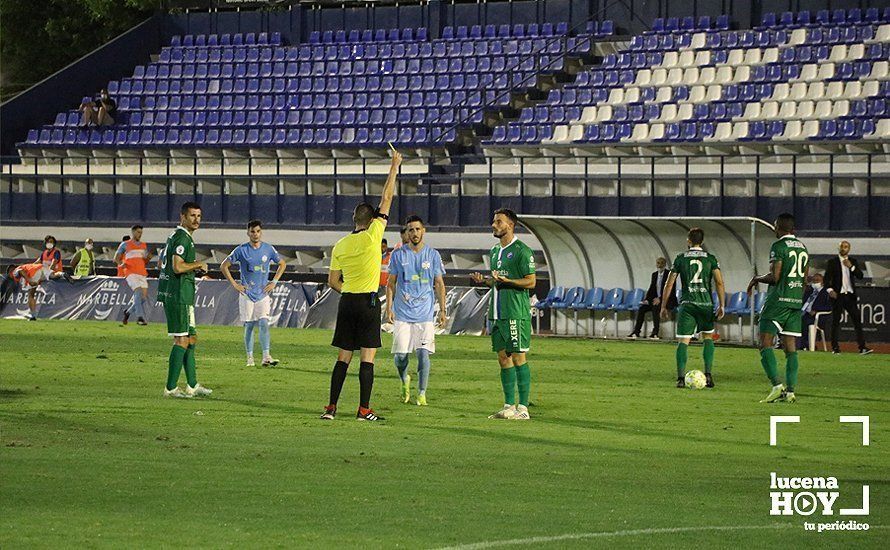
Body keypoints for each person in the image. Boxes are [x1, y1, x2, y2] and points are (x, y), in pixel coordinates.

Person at [321, 150, 402, 421]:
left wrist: (349, 291)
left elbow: (333, 281)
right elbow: (387, 197)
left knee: (343, 357)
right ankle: (363, 410)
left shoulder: (340, 244)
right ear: (371, 220)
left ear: (354, 220)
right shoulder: (373, 236)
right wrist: (394, 166)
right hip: (368, 302)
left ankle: (331, 408)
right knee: (367, 358)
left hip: (347, 302)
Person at [471, 208, 537, 420]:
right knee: (503, 358)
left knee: (519, 357)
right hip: (497, 313)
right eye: (494, 221)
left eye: (498, 221)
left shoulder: (522, 251)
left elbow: (531, 281)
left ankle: (524, 408)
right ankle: (509, 406)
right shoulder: (494, 251)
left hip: (515, 313)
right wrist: (485, 281)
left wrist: (509, 281)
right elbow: (497, 281)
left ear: (510, 225)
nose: (494, 225)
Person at [385, 215, 447, 406]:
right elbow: (390, 283)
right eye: (411, 230)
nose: (414, 233)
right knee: (401, 356)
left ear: (423, 231)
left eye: (418, 229)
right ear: (407, 233)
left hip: (425, 314)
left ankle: (421, 393)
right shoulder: (398, 255)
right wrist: (388, 308)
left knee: (423, 353)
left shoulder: (433, 255)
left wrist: (443, 310)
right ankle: (404, 379)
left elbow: (439, 284)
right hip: (402, 312)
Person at [747, 213, 808, 404]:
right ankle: (790, 392)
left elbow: (775, 277)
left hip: (777, 302)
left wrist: (757, 278)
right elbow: (804, 280)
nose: (773, 229)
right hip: (795, 302)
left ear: (779, 227)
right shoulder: (803, 249)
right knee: (791, 349)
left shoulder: (779, 246)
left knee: (764, 343)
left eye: (775, 226)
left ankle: (776, 386)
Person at [156, 202, 212, 399]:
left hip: (183, 294)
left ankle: (192, 385)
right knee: (181, 339)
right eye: (192, 216)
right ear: (182, 217)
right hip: (178, 295)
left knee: (191, 338)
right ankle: (170, 388)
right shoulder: (182, 239)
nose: (196, 219)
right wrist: (198, 264)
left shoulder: (179, 237)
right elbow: (177, 267)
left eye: (199, 216)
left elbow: (162, 262)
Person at [660, 228, 725, 388]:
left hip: (687, 304)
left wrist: (664, 305)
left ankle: (681, 379)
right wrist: (722, 304)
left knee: (683, 340)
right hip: (706, 304)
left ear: (688, 241)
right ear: (702, 242)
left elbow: (669, 283)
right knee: (708, 338)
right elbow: (719, 282)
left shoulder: (681, 259)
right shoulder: (710, 259)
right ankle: (708, 376)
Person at [221, 219, 287, 367]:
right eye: (252, 231)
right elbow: (224, 266)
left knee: (264, 323)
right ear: (248, 233)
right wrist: (235, 284)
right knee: (249, 326)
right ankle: (250, 358)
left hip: (263, 294)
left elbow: (282, 264)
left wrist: (274, 281)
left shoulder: (268, 249)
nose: (255, 234)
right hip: (247, 294)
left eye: (258, 231)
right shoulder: (241, 250)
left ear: (261, 232)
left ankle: (266, 356)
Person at [823, 241, 872, 355]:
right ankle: (835, 348)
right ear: (838, 248)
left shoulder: (853, 261)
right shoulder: (832, 262)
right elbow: (826, 279)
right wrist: (830, 290)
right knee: (836, 322)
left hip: (850, 296)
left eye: (846, 247)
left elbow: (860, 276)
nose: (843, 249)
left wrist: (852, 267)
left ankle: (862, 347)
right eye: (842, 247)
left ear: (849, 249)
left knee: (857, 322)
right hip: (838, 296)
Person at [116, 225, 154, 326]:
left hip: (141, 272)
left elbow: (143, 261)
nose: (139, 234)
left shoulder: (143, 245)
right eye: (138, 232)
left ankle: (127, 312)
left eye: (141, 232)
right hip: (130, 272)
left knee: (143, 298)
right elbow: (116, 258)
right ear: (133, 232)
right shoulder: (125, 244)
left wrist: (148, 258)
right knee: (138, 291)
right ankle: (139, 317)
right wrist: (121, 264)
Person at [627, 257, 672, 339]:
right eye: (658, 263)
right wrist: (647, 300)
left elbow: (670, 290)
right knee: (642, 309)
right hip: (656, 300)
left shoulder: (669, 275)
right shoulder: (654, 275)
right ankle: (636, 331)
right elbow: (652, 288)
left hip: (667, 300)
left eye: (662, 263)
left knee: (655, 308)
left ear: (665, 264)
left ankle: (655, 333)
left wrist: (660, 298)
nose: (659, 265)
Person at [798, 273, 831, 350]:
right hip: (804, 312)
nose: (815, 282)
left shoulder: (826, 292)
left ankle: (806, 345)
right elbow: (803, 302)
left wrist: (816, 311)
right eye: (814, 281)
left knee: (805, 322)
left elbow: (828, 307)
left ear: (822, 282)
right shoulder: (809, 291)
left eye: (817, 281)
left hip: (816, 316)